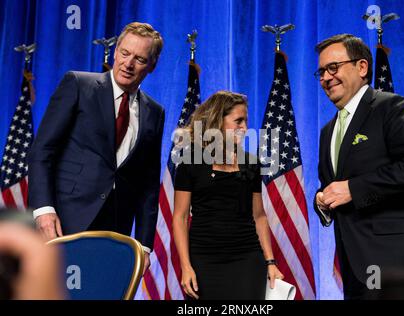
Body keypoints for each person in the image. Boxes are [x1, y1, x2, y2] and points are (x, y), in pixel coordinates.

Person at [313, 34, 404, 299]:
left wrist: (354, 189)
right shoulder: (327, 131)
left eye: (333, 68)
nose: (326, 78)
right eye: (321, 72)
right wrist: (322, 200)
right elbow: (333, 185)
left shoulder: (390, 107)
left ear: (362, 67)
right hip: (355, 267)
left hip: (398, 261)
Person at [28, 22, 165, 271]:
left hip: (114, 232)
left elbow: (148, 183)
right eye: (124, 53)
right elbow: (42, 151)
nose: (128, 64)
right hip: (64, 221)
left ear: (152, 66)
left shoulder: (155, 112)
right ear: (115, 51)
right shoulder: (78, 85)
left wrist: (145, 246)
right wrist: (44, 210)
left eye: (139, 59)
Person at [173, 91, 283, 299]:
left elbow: (259, 216)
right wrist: (185, 266)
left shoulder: (250, 162)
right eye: (238, 121)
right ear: (217, 122)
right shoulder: (191, 162)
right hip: (204, 261)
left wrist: (270, 262)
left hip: (247, 259)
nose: (244, 128)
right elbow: (179, 217)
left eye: (246, 121)